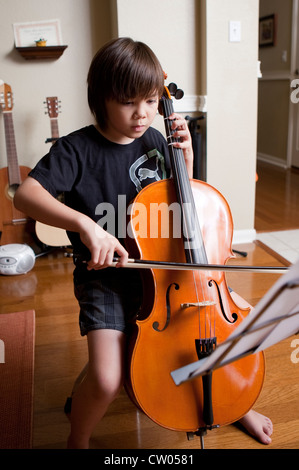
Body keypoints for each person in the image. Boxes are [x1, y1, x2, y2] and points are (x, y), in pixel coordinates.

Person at [14, 37, 273, 449]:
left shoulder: (157, 142)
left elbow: (184, 211)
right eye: (128, 102)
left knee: (214, 339)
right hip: (108, 280)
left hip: (170, 276)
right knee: (106, 379)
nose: (142, 114)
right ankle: (77, 439)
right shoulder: (76, 150)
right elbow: (25, 195)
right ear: (101, 98)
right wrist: (86, 226)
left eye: (151, 101)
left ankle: (233, 404)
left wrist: (184, 164)